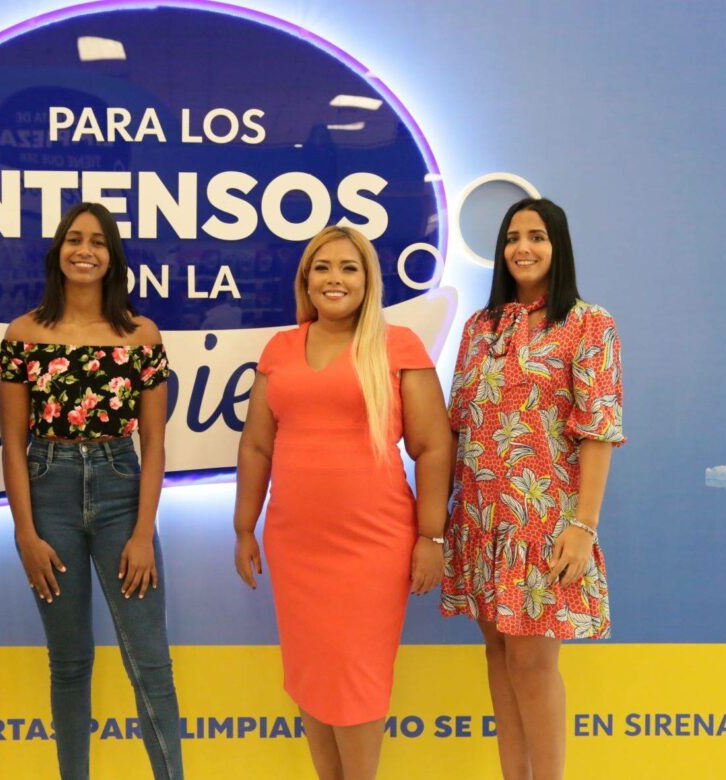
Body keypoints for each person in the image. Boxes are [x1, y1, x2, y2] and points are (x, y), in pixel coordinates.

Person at [234, 225, 452, 780]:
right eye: (323, 267)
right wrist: (244, 527)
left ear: (367, 279)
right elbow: (257, 444)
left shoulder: (398, 344)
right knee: (312, 681)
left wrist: (432, 537)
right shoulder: (280, 348)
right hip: (295, 546)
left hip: (373, 548)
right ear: (306, 280)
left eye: (349, 268)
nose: (335, 278)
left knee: (357, 685)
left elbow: (432, 447)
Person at [0, 202, 182, 780]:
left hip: (121, 488)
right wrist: (25, 535)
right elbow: (13, 442)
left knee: (149, 662)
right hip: (47, 490)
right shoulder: (23, 335)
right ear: (58, 251)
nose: (85, 250)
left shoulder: (140, 335)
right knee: (70, 663)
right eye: (74, 239)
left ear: (112, 257)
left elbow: (154, 443)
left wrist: (143, 533)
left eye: (98, 242)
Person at [442, 198, 625, 779]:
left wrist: (582, 526)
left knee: (532, 661)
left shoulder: (589, 325)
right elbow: (456, 426)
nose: (523, 248)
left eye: (537, 236)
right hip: (478, 521)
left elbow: (598, 431)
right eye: (513, 237)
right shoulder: (479, 328)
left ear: (558, 246)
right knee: (498, 654)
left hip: (543, 524)